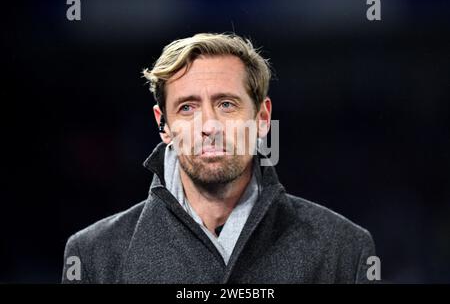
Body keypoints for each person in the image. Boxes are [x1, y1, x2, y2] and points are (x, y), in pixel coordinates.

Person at [62, 33, 376, 283]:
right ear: (163, 124)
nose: (209, 126)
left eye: (226, 104)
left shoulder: (343, 250)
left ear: (262, 117)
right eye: (187, 107)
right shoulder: (94, 256)